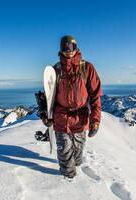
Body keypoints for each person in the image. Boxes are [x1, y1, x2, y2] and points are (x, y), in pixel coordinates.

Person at [43, 35, 102, 178]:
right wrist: (46, 115)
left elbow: (95, 96)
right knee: (65, 156)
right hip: (61, 118)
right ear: (61, 49)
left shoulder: (86, 68)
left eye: (71, 47)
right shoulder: (56, 70)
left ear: (76, 48)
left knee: (77, 156)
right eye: (65, 47)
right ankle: (69, 182)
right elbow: (49, 97)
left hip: (81, 119)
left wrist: (95, 120)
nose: (68, 51)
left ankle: (75, 170)